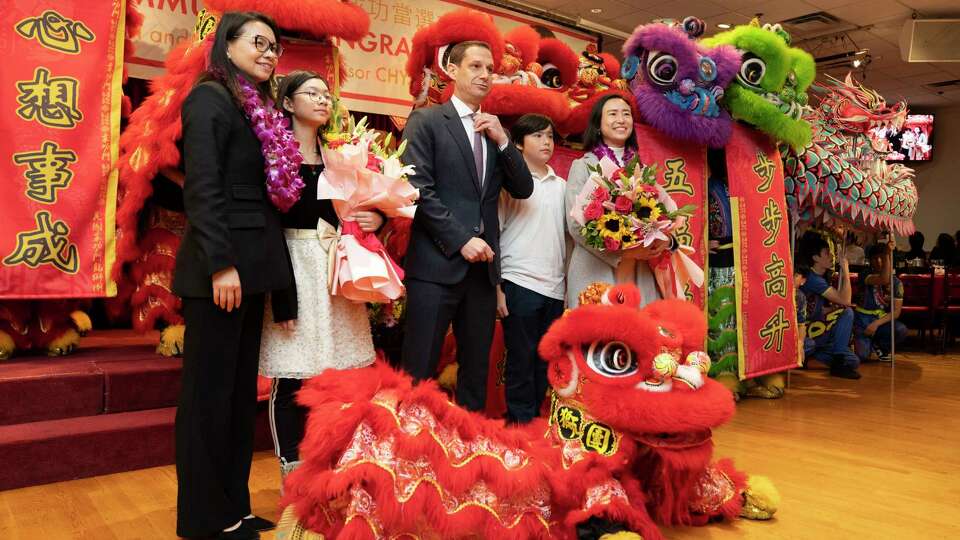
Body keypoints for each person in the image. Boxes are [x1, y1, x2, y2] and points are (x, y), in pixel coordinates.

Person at [172, 11, 290, 540]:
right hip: (219, 274)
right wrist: (221, 264)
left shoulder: (253, 105)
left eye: (274, 47)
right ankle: (204, 518)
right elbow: (202, 188)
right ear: (227, 44)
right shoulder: (209, 98)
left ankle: (234, 508)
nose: (269, 53)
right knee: (207, 398)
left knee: (239, 396)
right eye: (258, 43)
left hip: (251, 272)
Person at [257, 71, 380, 482]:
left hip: (334, 266)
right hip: (291, 264)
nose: (323, 100)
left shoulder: (341, 154)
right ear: (288, 103)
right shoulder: (274, 155)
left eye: (327, 94)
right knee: (292, 373)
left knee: (339, 374)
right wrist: (280, 289)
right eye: (312, 93)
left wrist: (374, 215)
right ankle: (291, 467)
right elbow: (267, 223)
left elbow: (366, 204)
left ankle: (331, 460)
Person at [400, 40, 533, 411]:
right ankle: (410, 451)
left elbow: (523, 188)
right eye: (475, 66)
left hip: (482, 275)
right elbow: (417, 189)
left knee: (476, 373)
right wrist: (461, 240)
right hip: (434, 267)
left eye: (489, 69)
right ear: (453, 70)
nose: (484, 75)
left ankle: (468, 451)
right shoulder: (426, 121)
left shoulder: (494, 130)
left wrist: (505, 140)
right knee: (419, 370)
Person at [565, 95, 669, 307]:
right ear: (598, 125)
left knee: (638, 333)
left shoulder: (643, 169)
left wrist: (662, 237)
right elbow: (575, 225)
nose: (621, 119)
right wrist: (623, 253)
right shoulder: (583, 166)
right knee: (600, 335)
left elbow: (662, 212)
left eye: (626, 114)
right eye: (612, 114)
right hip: (595, 268)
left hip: (638, 272)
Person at [495, 114, 567, 424]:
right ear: (518, 144)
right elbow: (494, 235)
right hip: (518, 281)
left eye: (550, 136)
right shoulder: (507, 185)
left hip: (556, 286)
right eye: (538, 136)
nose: (546, 142)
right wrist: (497, 288)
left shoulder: (563, 186)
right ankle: (518, 424)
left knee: (545, 360)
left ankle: (536, 421)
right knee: (521, 359)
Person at [796, 231, 862, 379]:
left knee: (853, 360)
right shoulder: (813, 279)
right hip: (806, 330)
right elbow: (846, 300)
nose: (831, 256)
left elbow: (816, 308)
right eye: (827, 253)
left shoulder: (819, 277)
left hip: (816, 328)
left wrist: (831, 309)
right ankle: (837, 364)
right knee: (847, 312)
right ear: (815, 258)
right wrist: (845, 270)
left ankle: (811, 361)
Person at [854, 241, 907, 362]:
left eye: (882, 258)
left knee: (900, 330)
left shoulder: (897, 283)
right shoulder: (865, 274)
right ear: (870, 260)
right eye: (875, 258)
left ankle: (880, 345)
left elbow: (896, 312)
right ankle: (860, 339)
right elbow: (883, 279)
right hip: (862, 321)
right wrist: (886, 253)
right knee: (862, 356)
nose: (879, 261)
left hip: (879, 321)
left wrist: (876, 324)